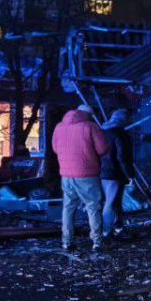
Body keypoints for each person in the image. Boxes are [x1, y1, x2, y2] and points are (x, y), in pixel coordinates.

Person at [51, 104, 110, 251]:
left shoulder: (59, 126)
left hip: (66, 175)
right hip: (87, 175)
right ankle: (97, 242)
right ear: (89, 115)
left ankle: (66, 241)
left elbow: (55, 148)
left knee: (68, 208)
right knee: (93, 207)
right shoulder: (90, 126)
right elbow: (102, 149)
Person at [100, 108, 136, 238]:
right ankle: (106, 231)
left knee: (110, 202)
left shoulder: (101, 132)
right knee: (112, 203)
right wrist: (130, 175)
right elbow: (123, 158)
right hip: (114, 173)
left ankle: (116, 229)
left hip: (100, 172)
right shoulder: (120, 135)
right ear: (124, 120)